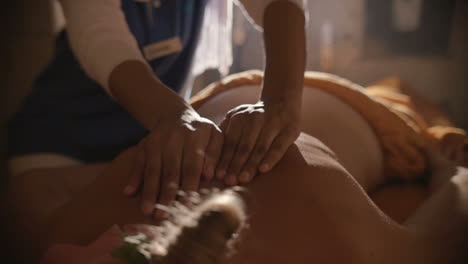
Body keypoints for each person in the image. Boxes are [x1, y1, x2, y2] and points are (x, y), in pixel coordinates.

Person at [6, 74, 468, 263]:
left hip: (232, 107)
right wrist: (440, 162)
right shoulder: (73, 226)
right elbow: (455, 200)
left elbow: (455, 197)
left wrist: (443, 168)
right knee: (408, 95)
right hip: (244, 104)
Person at [7, 0, 307, 219]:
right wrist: (176, 116)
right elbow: (101, 38)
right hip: (60, 145)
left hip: (149, 139)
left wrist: (281, 100)